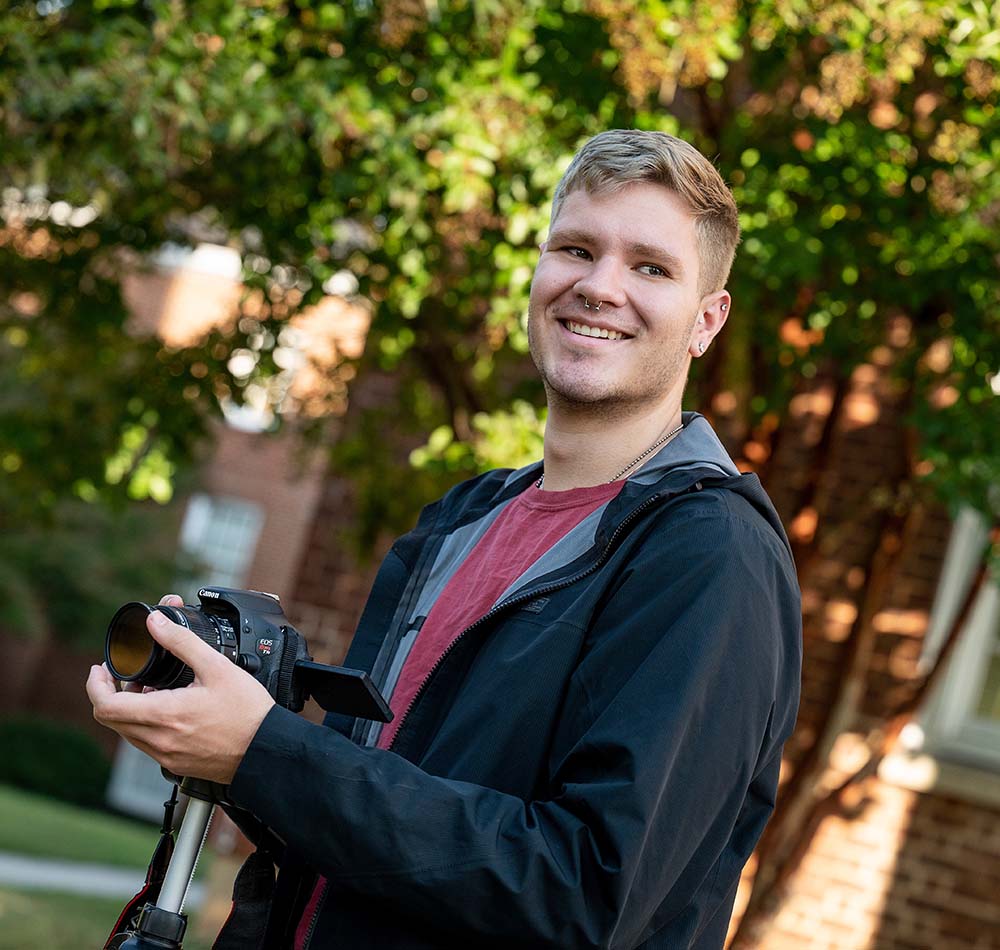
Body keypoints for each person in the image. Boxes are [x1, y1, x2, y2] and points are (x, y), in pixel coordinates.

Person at [89, 129, 802, 949]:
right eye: (576, 248)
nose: (600, 286)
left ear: (707, 320)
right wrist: (216, 733)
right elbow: (376, 826)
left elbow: (587, 895)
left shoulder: (710, 556)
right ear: (537, 272)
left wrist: (268, 751)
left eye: (651, 266)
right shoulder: (461, 521)